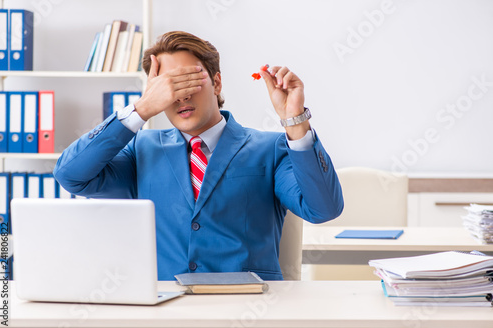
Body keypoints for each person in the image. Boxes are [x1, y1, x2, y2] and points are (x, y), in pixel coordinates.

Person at [53, 31, 344, 280]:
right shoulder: (141, 150)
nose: (180, 96)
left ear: (217, 83)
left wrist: (296, 122)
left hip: (249, 306)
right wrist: (141, 109)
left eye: (189, 81)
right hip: (164, 309)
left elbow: (323, 209)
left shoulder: (272, 148)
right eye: (168, 87)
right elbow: (71, 176)